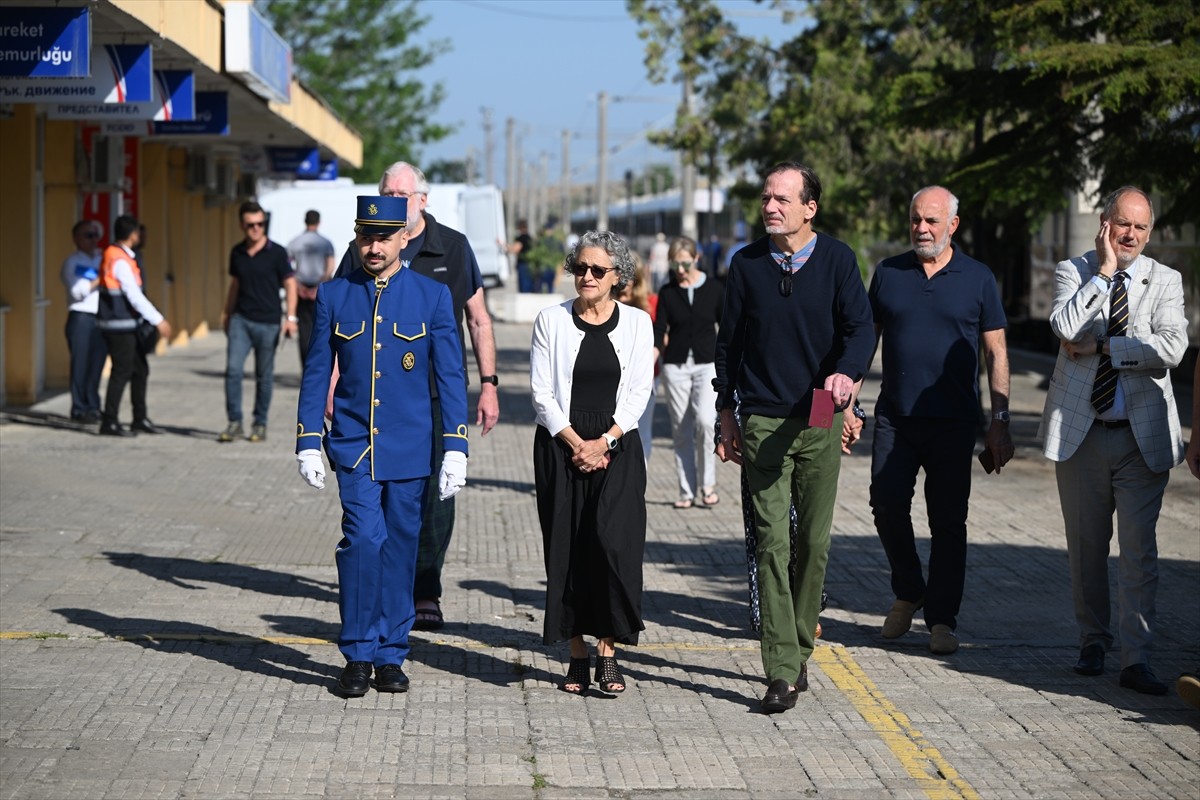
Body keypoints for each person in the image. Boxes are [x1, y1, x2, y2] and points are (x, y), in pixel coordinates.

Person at [713, 162, 874, 713]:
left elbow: (860, 329)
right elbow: (729, 345)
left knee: (815, 542)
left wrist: (847, 376)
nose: (771, 207)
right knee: (771, 544)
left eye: (783, 199)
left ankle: (801, 641)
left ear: (811, 207)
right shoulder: (747, 265)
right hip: (760, 416)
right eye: (766, 198)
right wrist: (724, 411)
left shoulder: (837, 260)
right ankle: (781, 667)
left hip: (823, 412)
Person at [294, 195, 469, 697]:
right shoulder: (334, 295)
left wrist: (455, 445)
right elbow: (315, 373)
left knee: (400, 549)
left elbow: (451, 376)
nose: (373, 247)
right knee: (363, 542)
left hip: (412, 449)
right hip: (355, 448)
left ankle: (392, 653)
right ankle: (357, 651)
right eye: (366, 237)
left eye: (383, 238)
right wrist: (308, 438)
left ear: (402, 240)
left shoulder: (431, 296)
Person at [334, 161, 500, 631]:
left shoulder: (453, 247)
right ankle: (386, 585)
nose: (394, 198)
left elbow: (479, 319)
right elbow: (338, 321)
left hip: (434, 397)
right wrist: (330, 389)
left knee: (434, 498)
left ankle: (425, 588)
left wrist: (488, 385)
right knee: (376, 495)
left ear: (422, 201)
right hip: (376, 397)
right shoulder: (360, 248)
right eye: (386, 191)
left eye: (402, 193)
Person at [1041, 186, 1187, 696]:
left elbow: (1171, 348)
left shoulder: (1166, 280)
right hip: (1082, 436)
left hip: (1140, 438)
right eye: (1122, 224)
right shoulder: (1072, 271)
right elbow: (1062, 325)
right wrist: (1102, 274)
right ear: (1104, 223)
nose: (1130, 235)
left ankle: (1136, 657)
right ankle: (1092, 642)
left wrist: (1103, 346)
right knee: (1086, 550)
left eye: (1140, 228)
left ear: (1150, 233)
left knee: (1138, 551)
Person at [857, 186, 1013, 655]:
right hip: (895, 417)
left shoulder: (979, 278)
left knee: (948, 521)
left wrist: (1000, 418)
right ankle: (910, 590)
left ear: (953, 225)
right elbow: (866, 340)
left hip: (952, 421)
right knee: (885, 504)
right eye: (915, 220)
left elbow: (996, 350)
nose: (922, 229)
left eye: (931, 221)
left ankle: (942, 619)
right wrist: (846, 399)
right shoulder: (889, 273)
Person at [531, 230, 654, 696]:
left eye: (597, 270)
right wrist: (575, 442)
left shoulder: (639, 323)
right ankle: (578, 654)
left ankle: (609, 649)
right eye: (580, 267)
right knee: (568, 548)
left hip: (617, 444)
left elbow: (639, 392)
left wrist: (604, 441)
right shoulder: (550, 320)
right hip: (561, 445)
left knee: (613, 546)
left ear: (616, 276)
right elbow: (542, 393)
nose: (585, 276)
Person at [218, 201, 298, 443]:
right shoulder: (237, 252)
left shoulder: (277, 252)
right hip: (241, 320)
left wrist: (290, 317)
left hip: (269, 322)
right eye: (251, 225)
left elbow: (290, 284)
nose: (256, 229)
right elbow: (235, 285)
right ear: (242, 225)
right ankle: (234, 422)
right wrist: (226, 313)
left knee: (263, 375)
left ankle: (259, 423)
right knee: (233, 371)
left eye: (260, 224)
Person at [655, 236, 724, 509]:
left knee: (707, 422)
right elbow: (660, 329)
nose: (680, 270)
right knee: (682, 430)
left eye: (684, 263)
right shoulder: (668, 291)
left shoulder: (715, 289)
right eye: (675, 264)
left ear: (696, 258)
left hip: (707, 365)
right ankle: (686, 491)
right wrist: (653, 356)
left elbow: (726, 326)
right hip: (676, 367)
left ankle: (708, 486)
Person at [96, 215, 172, 437]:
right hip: (119, 326)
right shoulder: (119, 260)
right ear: (132, 235)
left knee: (140, 370)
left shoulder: (122, 256)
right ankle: (109, 421)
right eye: (138, 233)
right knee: (122, 371)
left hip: (126, 324)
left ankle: (140, 418)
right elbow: (134, 296)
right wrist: (158, 320)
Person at [61, 220, 107, 423]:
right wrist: (101, 279)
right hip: (81, 316)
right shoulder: (72, 262)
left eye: (95, 235)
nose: (93, 240)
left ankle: (93, 406)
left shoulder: (102, 259)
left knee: (97, 363)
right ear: (76, 239)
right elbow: (77, 291)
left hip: (101, 316)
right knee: (80, 363)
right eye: (88, 235)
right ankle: (79, 407)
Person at [617, 252, 658, 464]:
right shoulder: (607, 302)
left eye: (629, 275)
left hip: (645, 376)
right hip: (614, 376)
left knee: (642, 431)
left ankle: (639, 478)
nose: (624, 281)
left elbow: (660, 339)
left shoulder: (651, 303)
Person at [287, 209, 335, 368]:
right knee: (320, 331)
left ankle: (305, 368)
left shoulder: (295, 242)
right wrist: (321, 285)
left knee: (304, 333)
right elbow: (330, 267)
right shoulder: (325, 243)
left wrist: (298, 285)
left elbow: (287, 267)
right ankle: (317, 366)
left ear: (305, 221)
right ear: (318, 222)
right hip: (319, 290)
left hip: (301, 290)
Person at [509, 220, 534, 293]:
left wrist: (506, 247)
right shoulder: (530, 238)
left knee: (524, 287)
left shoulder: (521, 238)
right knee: (529, 286)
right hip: (530, 264)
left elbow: (516, 249)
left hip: (523, 264)